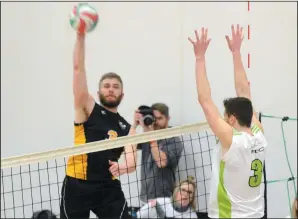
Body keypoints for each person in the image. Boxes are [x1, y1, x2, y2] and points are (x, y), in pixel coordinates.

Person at [188, 25, 267, 218]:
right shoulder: (259, 133)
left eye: (225, 116)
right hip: (257, 214)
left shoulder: (232, 140)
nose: (222, 119)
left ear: (232, 119)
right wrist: (236, 53)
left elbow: (205, 101)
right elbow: (244, 92)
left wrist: (199, 57)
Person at [59, 32, 137, 219]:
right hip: (77, 184)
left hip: (107, 188)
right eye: (107, 85)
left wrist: (122, 166)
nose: (111, 89)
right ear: (98, 92)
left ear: (122, 95)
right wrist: (80, 36)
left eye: (116, 86)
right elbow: (78, 69)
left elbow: (132, 161)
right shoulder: (87, 109)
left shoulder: (126, 128)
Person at [136, 103, 183, 203]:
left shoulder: (174, 139)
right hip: (145, 197)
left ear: (168, 118)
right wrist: (135, 124)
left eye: (159, 118)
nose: (155, 122)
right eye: (154, 118)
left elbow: (161, 162)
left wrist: (151, 136)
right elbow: (128, 147)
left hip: (163, 198)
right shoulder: (147, 135)